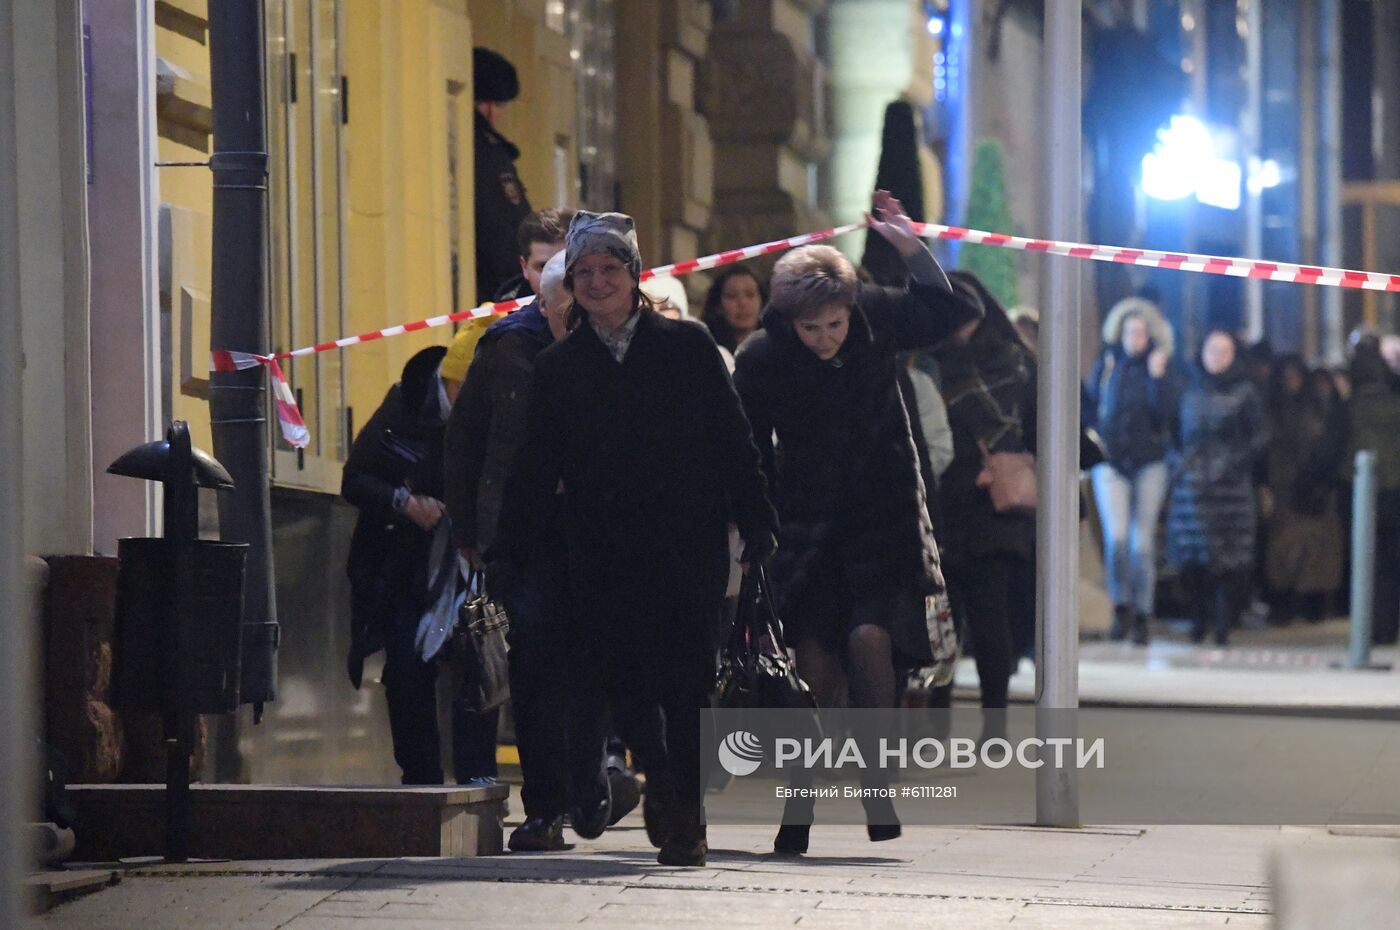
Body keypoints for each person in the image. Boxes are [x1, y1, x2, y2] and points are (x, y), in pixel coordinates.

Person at [490, 211, 778, 867]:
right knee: (625, 682)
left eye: (608, 269)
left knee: (684, 684)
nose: (596, 282)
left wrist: (757, 519)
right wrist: (509, 551)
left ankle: (688, 821)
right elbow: (536, 467)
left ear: (634, 275)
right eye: (583, 272)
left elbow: (736, 443)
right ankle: (666, 784)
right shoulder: (562, 367)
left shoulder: (687, 347)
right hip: (600, 552)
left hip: (685, 545)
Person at [733, 191, 981, 855]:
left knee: (871, 640)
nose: (825, 339)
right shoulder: (762, 358)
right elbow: (748, 450)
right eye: (811, 329)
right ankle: (799, 807)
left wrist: (907, 244)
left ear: (850, 308)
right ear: (788, 319)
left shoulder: (874, 316)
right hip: (807, 532)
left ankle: (877, 784)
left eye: (834, 324)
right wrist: (754, 531)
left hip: (882, 519)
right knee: (812, 672)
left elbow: (956, 308)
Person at [445, 251, 633, 850]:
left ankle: (588, 781)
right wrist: (469, 532)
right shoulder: (506, 349)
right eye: (562, 309)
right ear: (545, 303)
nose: (572, 319)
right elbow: (466, 441)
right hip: (523, 538)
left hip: (599, 535)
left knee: (592, 664)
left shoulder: (617, 349)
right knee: (533, 668)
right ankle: (545, 807)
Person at [342, 337, 498, 785]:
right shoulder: (407, 406)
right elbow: (356, 479)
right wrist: (404, 502)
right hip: (407, 563)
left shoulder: (497, 414)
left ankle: (477, 780)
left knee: (479, 667)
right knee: (408, 671)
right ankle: (421, 782)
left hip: (473, 565)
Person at [931, 272, 1037, 704]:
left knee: (989, 616)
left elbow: (1032, 424)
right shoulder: (929, 360)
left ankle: (994, 720)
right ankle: (936, 723)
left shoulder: (1011, 360)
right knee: (943, 621)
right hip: (944, 500)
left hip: (993, 502)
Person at [1082, 297, 1179, 644]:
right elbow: (1090, 405)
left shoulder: (1160, 368)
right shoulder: (1108, 364)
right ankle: (1120, 604)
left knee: (1142, 543)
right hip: (1111, 462)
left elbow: (1167, 413)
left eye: (1140, 332)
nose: (1134, 338)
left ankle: (1142, 612)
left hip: (1150, 463)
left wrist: (1157, 378)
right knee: (1117, 539)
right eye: (1129, 332)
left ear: (1150, 335)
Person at [1166, 329, 1269, 646]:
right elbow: (1171, 431)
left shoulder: (1246, 392)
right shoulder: (1186, 389)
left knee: (1229, 558)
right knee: (1193, 557)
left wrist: (1236, 462)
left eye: (1224, 351)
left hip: (1231, 486)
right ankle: (1198, 620)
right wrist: (1179, 463)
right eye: (1212, 350)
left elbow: (1260, 436)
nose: (1217, 357)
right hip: (1192, 488)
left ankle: (1223, 624)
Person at [1261, 359, 1341, 624]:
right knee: (1283, 550)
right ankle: (1283, 604)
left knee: (1316, 550)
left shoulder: (1317, 408)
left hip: (1315, 488)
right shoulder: (1273, 411)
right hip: (1283, 488)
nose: (1292, 382)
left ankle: (1312, 604)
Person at [473, 47, 532, 304]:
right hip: (494, 290)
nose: (500, 113)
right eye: (499, 104)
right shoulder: (488, 154)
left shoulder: (485, 149)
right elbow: (501, 227)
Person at [490, 208, 575, 303]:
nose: (558, 279)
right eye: (544, 267)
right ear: (525, 267)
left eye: (567, 265)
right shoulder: (504, 313)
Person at [701, 265, 766, 354]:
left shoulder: (777, 349)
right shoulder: (706, 349)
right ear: (718, 305)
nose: (742, 303)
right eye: (732, 296)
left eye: (750, 294)